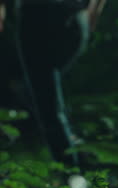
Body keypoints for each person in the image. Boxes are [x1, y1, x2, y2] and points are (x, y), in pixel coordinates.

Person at [0, 0, 106, 165]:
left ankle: (72, 169)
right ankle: (73, 146)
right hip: (75, 17)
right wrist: (94, 11)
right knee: (40, 95)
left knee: (45, 102)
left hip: (40, 16)